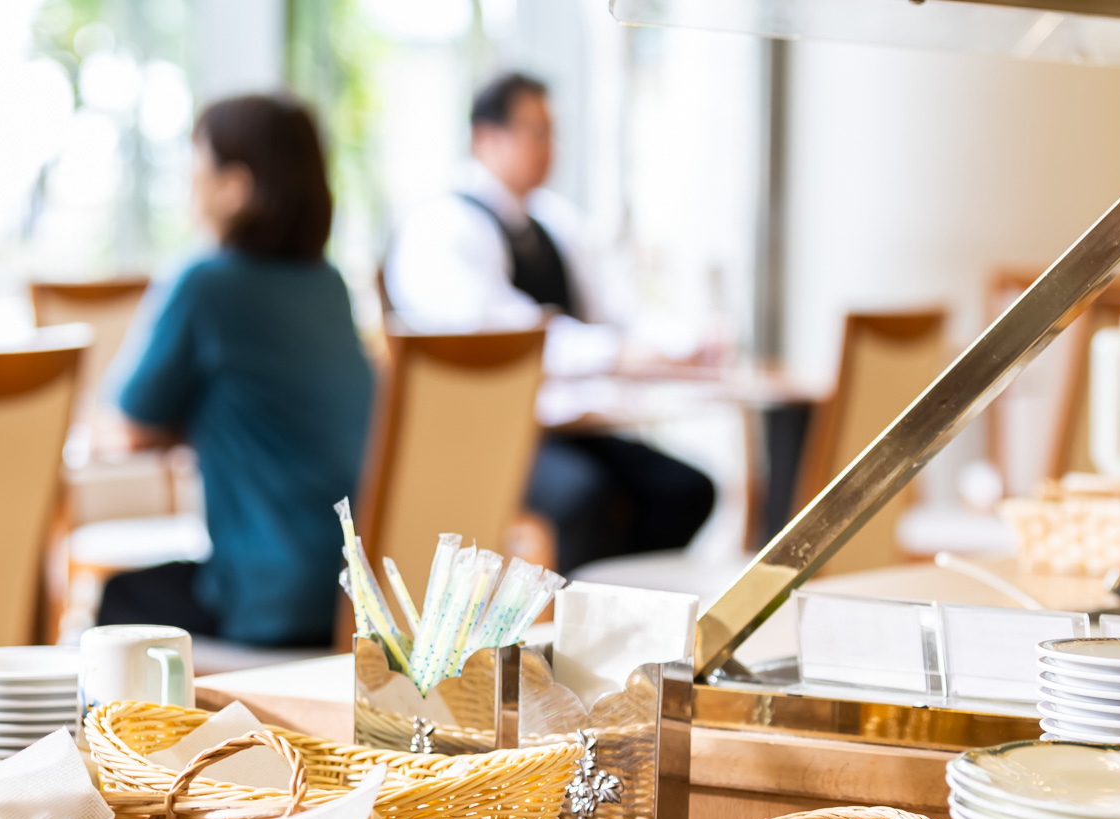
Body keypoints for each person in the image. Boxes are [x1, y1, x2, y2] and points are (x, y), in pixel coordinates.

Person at [385, 72, 716, 574]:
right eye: (533, 131)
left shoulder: (556, 223)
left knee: (686, 490)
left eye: (552, 132)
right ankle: (565, 625)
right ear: (486, 136)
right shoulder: (441, 228)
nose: (548, 147)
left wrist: (682, 342)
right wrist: (619, 355)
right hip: (485, 433)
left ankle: (620, 610)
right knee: (584, 497)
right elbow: (511, 339)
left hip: (568, 427)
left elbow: (616, 310)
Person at [96, 94, 374, 648]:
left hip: (273, 600)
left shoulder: (207, 283)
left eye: (196, 168)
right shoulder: (330, 286)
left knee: (118, 605)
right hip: (352, 595)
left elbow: (125, 427)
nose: (189, 187)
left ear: (234, 186)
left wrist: (193, 421)